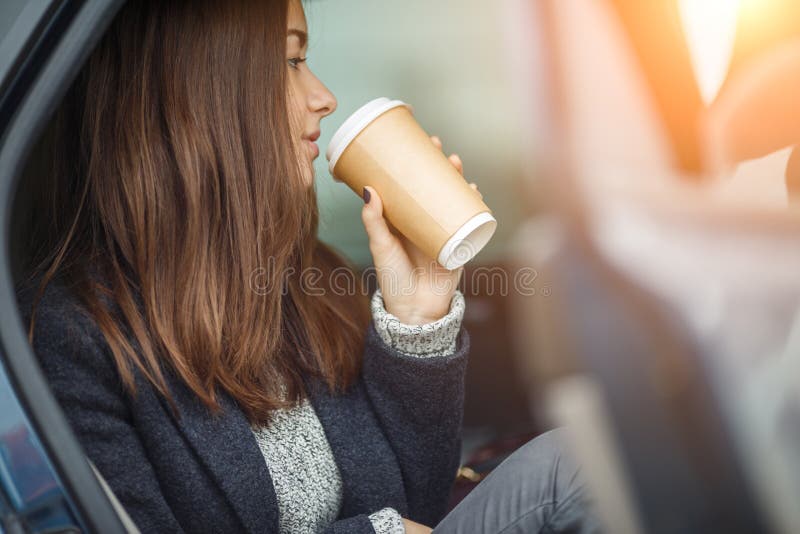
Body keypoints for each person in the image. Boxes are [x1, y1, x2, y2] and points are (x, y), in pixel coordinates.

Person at [17, 1, 598, 532]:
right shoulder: (78, 338)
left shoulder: (305, 277)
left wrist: (418, 314)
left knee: (585, 461)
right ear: (204, 94)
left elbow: (418, 505)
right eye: (291, 61)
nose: (323, 96)